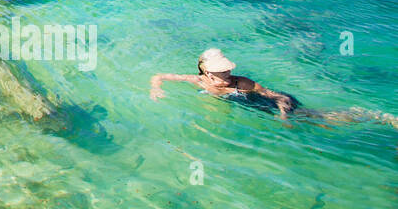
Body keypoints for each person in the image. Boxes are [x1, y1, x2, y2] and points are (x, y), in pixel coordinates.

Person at [150, 48, 398, 126]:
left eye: (227, 68)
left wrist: (283, 114)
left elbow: (278, 96)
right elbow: (159, 75)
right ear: (205, 70)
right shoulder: (198, 80)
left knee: (316, 117)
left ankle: (376, 117)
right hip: (258, 110)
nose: (226, 72)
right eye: (220, 70)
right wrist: (155, 88)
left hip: (270, 104)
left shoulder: (242, 82)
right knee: (317, 122)